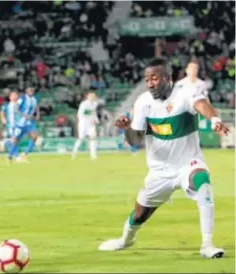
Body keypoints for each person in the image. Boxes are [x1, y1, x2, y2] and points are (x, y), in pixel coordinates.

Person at [98, 58, 228, 259]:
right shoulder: (143, 102)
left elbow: (202, 104)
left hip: (188, 163)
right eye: (147, 79)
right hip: (160, 170)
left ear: (167, 78)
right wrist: (127, 129)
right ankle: (125, 240)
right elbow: (135, 140)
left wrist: (215, 120)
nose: (150, 83)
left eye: (154, 78)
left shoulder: (185, 93)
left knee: (202, 182)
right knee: (140, 214)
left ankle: (207, 244)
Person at [8, 87, 39, 162]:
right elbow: (16, 108)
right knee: (16, 140)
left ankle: (25, 154)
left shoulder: (35, 99)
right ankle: (10, 156)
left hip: (29, 123)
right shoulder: (23, 99)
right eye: (29, 90)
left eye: (32, 90)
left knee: (34, 136)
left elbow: (36, 108)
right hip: (21, 123)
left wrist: (37, 115)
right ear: (26, 91)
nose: (31, 91)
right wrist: (24, 115)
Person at [72, 92, 98, 160]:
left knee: (93, 138)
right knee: (81, 138)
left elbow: (94, 113)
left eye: (94, 97)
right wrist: (90, 112)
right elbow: (80, 113)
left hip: (91, 123)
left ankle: (93, 156)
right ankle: (74, 152)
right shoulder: (84, 104)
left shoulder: (95, 104)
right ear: (88, 97)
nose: (93, 98)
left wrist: (96, 120)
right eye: (91, 97)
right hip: (83, 123)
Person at [0, 90, 21, 161]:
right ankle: (17, 156)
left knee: (15, 140)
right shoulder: (7, 105)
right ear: (10, 97)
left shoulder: (19, 105)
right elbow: (1, 112)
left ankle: (5, 142)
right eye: (13, 95)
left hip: (18, 125)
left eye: (15, 95)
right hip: (10, 125)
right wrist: (3, 119)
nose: (14, 97)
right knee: (15, 139)